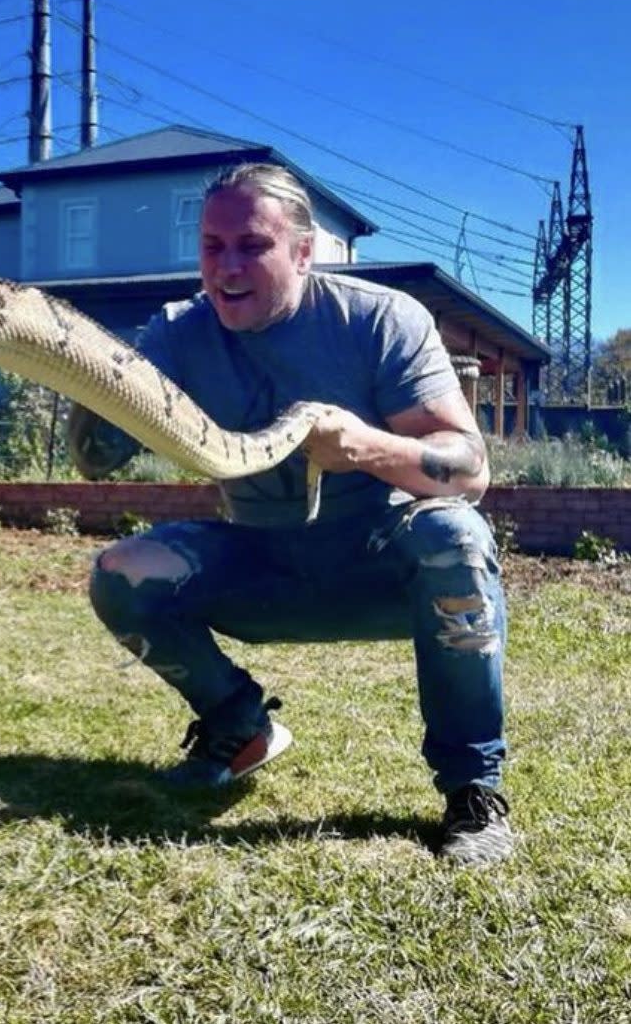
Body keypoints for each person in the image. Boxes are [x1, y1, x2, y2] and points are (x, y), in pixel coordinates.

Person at [68, 162, 512, 866]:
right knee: (120, 572)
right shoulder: (178, 333)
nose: (227, 267)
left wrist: (363, 444)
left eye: (252, 245)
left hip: (380, 566)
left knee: (454, 535)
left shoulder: (379, 319)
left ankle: (473, 790)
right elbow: (98, 459)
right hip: (262, 563)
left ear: (305, 252)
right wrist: (83, 372)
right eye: (212, 246)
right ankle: (238, 726)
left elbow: (470, 469)